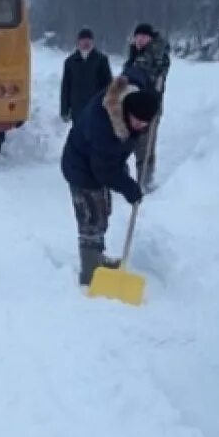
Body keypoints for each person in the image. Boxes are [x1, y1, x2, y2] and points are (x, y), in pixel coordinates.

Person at [60, 67, 161, 285]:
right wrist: (129, 188)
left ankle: (98, 258)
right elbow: (104, 171)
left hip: (100, 160)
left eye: (146, 123)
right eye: (137, 121)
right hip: (82, 168)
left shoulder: (129, 91)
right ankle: (90, 272)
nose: (141, 126)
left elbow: (136, 72)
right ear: (126, 110)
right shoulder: (104, 126)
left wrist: (152, 86)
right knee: (91, 217)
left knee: (104, 209)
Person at [123, 22, 171, 190]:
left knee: (144, 146)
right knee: (132, 144)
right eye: (138, 36)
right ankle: (135, 178)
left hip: (147, 107)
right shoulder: (137, 53)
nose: (140, 40)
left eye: (144, 37)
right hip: (132, 105)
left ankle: (145, 182)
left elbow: (145, 75)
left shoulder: (155, 53)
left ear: (150, 38)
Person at [60, 27, 113, 125]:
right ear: (78, 42)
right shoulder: (70, 61)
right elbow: (66, 87)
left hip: (96, 107)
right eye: (83, 40)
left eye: (88, 40)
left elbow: (109, 85)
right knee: (79, 136)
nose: (86, 42)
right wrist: (64, 110)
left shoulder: (101, 60)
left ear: (92, 41)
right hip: (77, 108)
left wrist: (109, 107)